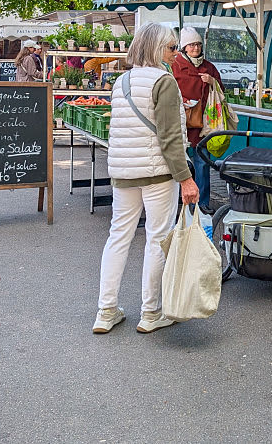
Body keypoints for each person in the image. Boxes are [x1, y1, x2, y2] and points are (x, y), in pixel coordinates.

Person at [94, 23, 199, 335]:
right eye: (170, 48)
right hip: (156, 174)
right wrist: (186, 179)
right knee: (156, 238)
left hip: (123, 172)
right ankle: (150, 312)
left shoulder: (121, 81)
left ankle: (106, 310)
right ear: (156, 49)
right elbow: (170, 138)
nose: (175, 53)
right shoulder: (163, 81)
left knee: (118, 238)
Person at [171, 26, 223, 210]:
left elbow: (221, 91)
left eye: (198, 44)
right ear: (184, 47)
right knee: (181, 165)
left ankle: (202, 204)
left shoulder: (209, 67)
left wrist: (212, 82)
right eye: (191, 45)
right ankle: (181, 203)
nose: (195, 48)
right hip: (180, 124)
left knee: (202, 165)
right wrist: (183, 101)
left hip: (203, 126)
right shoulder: (174, 65)